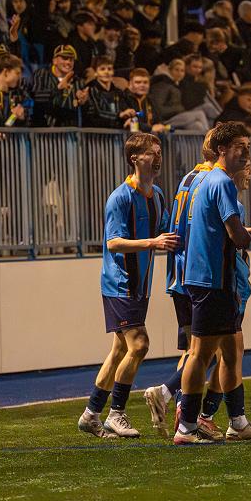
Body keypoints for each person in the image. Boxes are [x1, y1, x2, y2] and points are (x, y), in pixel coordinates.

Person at [78, 132, 177, 439]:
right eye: (152, 153)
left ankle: (91, 414)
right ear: (135, 158)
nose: (158, 157)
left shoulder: (157, 195)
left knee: (120, 349)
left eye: (159, 152)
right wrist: (152, 242)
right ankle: (116, 413)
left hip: (139, 286)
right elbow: (114, 242)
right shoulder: (120, 197)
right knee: (139, 345)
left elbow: (168, 230)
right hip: (120, 284)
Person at [174, 122, 251, 445]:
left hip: (207, 278)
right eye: (239, 147)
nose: (246, 153)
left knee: (231, 352)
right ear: (221, 150)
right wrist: (247, 235)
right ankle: (187, 426)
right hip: (213, 279)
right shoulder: (222, 182)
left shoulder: (207, 180)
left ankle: (237, 421)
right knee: (200, 354)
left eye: (248, 147)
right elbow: (236, 235)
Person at [143, 130, 216, 438]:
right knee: (210, 349)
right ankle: (169, 394)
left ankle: (184, 410)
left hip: (178, 275)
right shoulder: (212, 181)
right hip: (197, 276)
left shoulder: (188, 178)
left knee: (192, 349)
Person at [30, 44, 85, 127]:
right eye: (64, 58)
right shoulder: (41, 74)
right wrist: (58, 88)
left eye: (71, 60)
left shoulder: (78, 82)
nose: (68, 62)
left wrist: (84, 102)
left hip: (68, 131)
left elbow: (83, 112)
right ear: (54, 61)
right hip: (44, 129)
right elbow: (37, 97)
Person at [84, 56, 133, 129]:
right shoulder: (90, 90)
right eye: (102, 69)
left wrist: (129, 116)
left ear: (113, 72)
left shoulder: (119, 92)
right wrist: (119, 115)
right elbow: (96, 113)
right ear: (95, 73)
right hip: (96, 133)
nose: (106, 72)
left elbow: (125, 110)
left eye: (109, 69)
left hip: (117, 133)